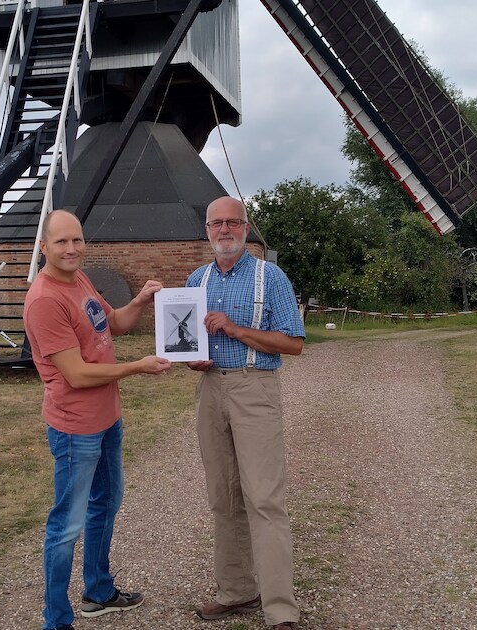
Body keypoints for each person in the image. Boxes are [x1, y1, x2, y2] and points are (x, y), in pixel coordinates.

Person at [23, 209, 172, 630]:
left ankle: (99, 591)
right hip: (76, 429)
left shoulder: (80, 280)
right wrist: (137, 367)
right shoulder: (45, 299)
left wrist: (140, 301)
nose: (71, 248)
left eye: (77, 240)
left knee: (106, 503)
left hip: (107, 420)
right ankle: (56, 620)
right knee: (66, 525)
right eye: (61, 242)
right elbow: (76, 374)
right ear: (44, 247)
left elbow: (113, 324)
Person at [185, 196, 305, 630]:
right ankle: (237, 591)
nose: (224, 230)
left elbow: (293, 343)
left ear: (246, 228)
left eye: (232, 222)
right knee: (223, 497)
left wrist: (235, 329)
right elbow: (186, 338)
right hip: (210, 388)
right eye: (216, 223)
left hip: (255, 388)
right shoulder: (195, 279)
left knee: (265, 499)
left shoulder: (270, 277)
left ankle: (280, 609)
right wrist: (191, 358)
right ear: (206, 230)